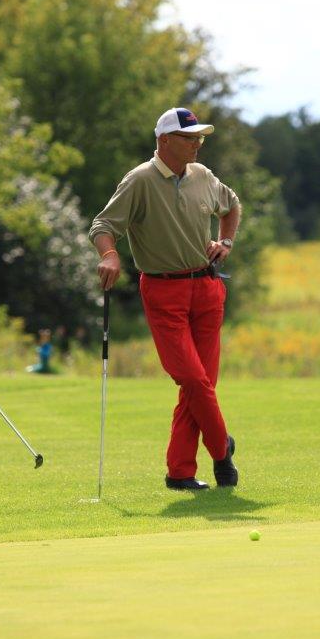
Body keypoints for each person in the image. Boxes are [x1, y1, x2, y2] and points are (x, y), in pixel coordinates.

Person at [89, 107, 242, 491]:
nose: (197, 144)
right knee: (192, 378)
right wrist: (109, 254)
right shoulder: (140, 180)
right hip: (164, 291)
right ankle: (221, 448)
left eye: (199, 137)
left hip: (207, 288)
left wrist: (225, 241)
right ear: (164, 140)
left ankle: (180, 472)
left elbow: (232, 205)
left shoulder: (202, 175)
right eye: (189, 138)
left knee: (200, 385)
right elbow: (103, 225)